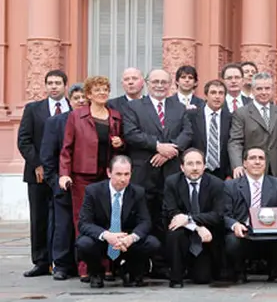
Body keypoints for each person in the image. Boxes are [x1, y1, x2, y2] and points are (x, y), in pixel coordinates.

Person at [122, 69, 193, 276]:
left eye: (164, 82)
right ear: (147, 83)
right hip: (144, 172)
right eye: (155, 82)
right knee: (144, 217)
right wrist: (157, 146)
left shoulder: (178, 107)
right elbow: (131, 134)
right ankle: (141, 265)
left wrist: (170, 150)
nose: (160, 85)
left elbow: (187, 132)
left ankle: (164, 264)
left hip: (170, 173)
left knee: (167, 218)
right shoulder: (133, 106)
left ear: (171, 84)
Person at [58, 77, 125, 279]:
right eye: (97, 90)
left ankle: (106, 265)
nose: (102, 93)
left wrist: (119, 143)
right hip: (82, 176)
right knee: (83, 220)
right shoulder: (76, 116)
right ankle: (86, 268)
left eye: (105, 89)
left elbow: (122, 148)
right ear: (89, 94)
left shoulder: (115, 116)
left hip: (106, 176)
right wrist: (64, 174)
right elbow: (66, 148)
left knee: (107, 220)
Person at [75, 156, 161, 288]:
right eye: (118, 174)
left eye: (127, 174)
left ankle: (131, 272)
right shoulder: (93, 191)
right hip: (103, 240)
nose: (123, 179)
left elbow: (145, 222)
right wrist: (107, 235)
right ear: (109, 173)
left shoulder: (138, 192)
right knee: (84, 243)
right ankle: (96, 273)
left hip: (127, 241)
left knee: (152, 243)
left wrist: (131, 238)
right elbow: (84, 223)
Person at [17, 69, 70, 277]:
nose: (54, 86)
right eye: (50, 83)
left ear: (65, 85)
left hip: (65, 175)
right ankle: (41, 261)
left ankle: (65, 261)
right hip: (37, 175)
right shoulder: (33, 109)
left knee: (63, 219)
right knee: (39, 218)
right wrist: (38, 164)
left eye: (58, 82)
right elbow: (24, 140)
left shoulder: (73, 108)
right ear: (45, 86)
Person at [223, 147, 277, 283]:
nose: (257, 162)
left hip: (270, 232)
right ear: (244, 163)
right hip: (244, 232)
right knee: (232, 240)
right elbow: (225, 215)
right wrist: (235, 225)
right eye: (252, 158)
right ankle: (240, 272)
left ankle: (275, 272)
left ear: (266, 162)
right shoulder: (230, 186)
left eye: (261, 158)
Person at [40, 83, 87, 280]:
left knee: (86, 225)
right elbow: (47, 156)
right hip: (64, 184)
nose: (81, 101)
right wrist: (55, 181)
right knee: (63, 226)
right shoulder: (56, 122)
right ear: (70, 100)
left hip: (88, 184)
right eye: (77, 98)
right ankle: (61, 266)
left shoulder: (96, 119)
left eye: (85, 98)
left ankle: (84, 264)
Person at [163, 148, 226, 287]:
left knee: (202, 278)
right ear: (182, 167)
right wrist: (196, 226)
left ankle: (196, 267)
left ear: (204, 166)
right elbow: (172, 213)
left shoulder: (216, 184)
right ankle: (176, 276)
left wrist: (189, 219)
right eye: (190, 164)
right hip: (184, 234)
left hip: (206, 239)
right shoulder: (172, 182)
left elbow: (218, 215)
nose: (195, 168)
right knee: (174, 232)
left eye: (198, 163)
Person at [229, 73, 277, 181]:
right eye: (259, 89)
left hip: (274, 172)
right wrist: (237, 165)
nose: (264, 92)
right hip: (250, 169)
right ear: (253, 90)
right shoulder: (241, 113)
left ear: (272, 90)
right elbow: (235, 142)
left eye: (267, 88)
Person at [187, 80, 233, 180]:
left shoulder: (231, 118)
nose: (217, 96)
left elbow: (232, 146)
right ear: (206, 96)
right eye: (213, 92)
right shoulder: (191, 116)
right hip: (197, 171)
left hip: (222, 174)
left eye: (221, 93)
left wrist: (230, 173)